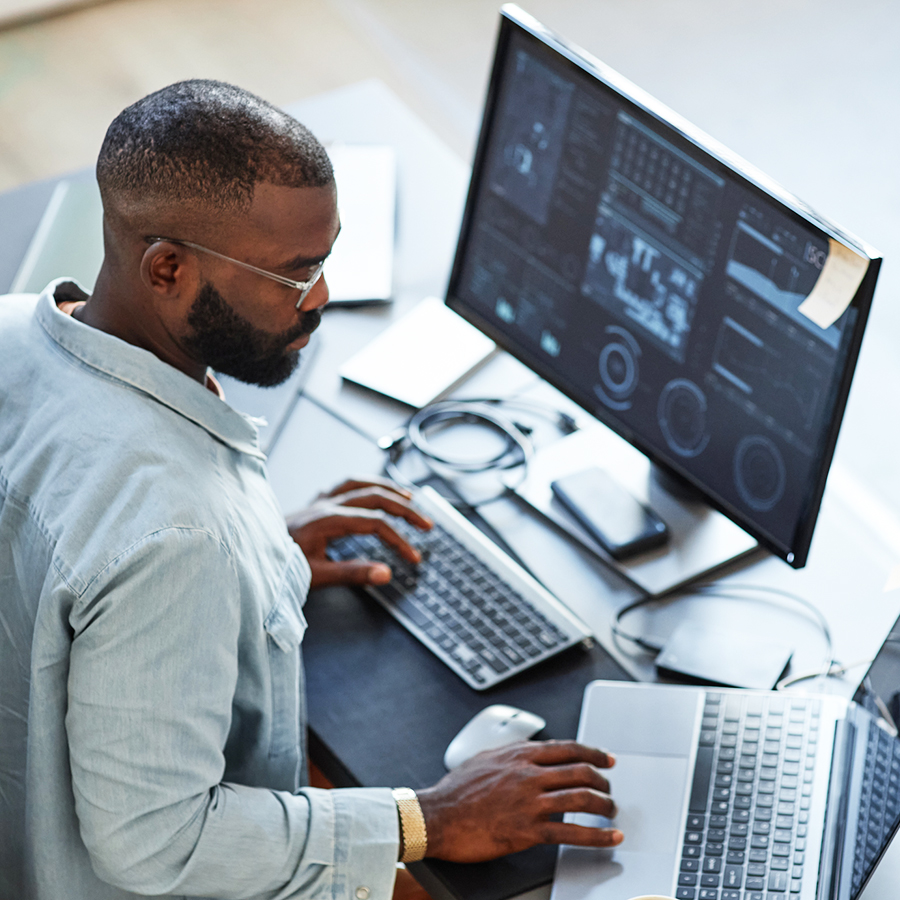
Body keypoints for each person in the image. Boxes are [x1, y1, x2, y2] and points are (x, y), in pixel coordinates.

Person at [0, 79, 623, 900]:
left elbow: (69, 545)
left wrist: (258, 561)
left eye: (325, 259)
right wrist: (426, 818)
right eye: (295, 275)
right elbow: (155, 845)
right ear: (168, 268)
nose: (321, 297)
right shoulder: (177, 537)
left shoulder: (13, 330)